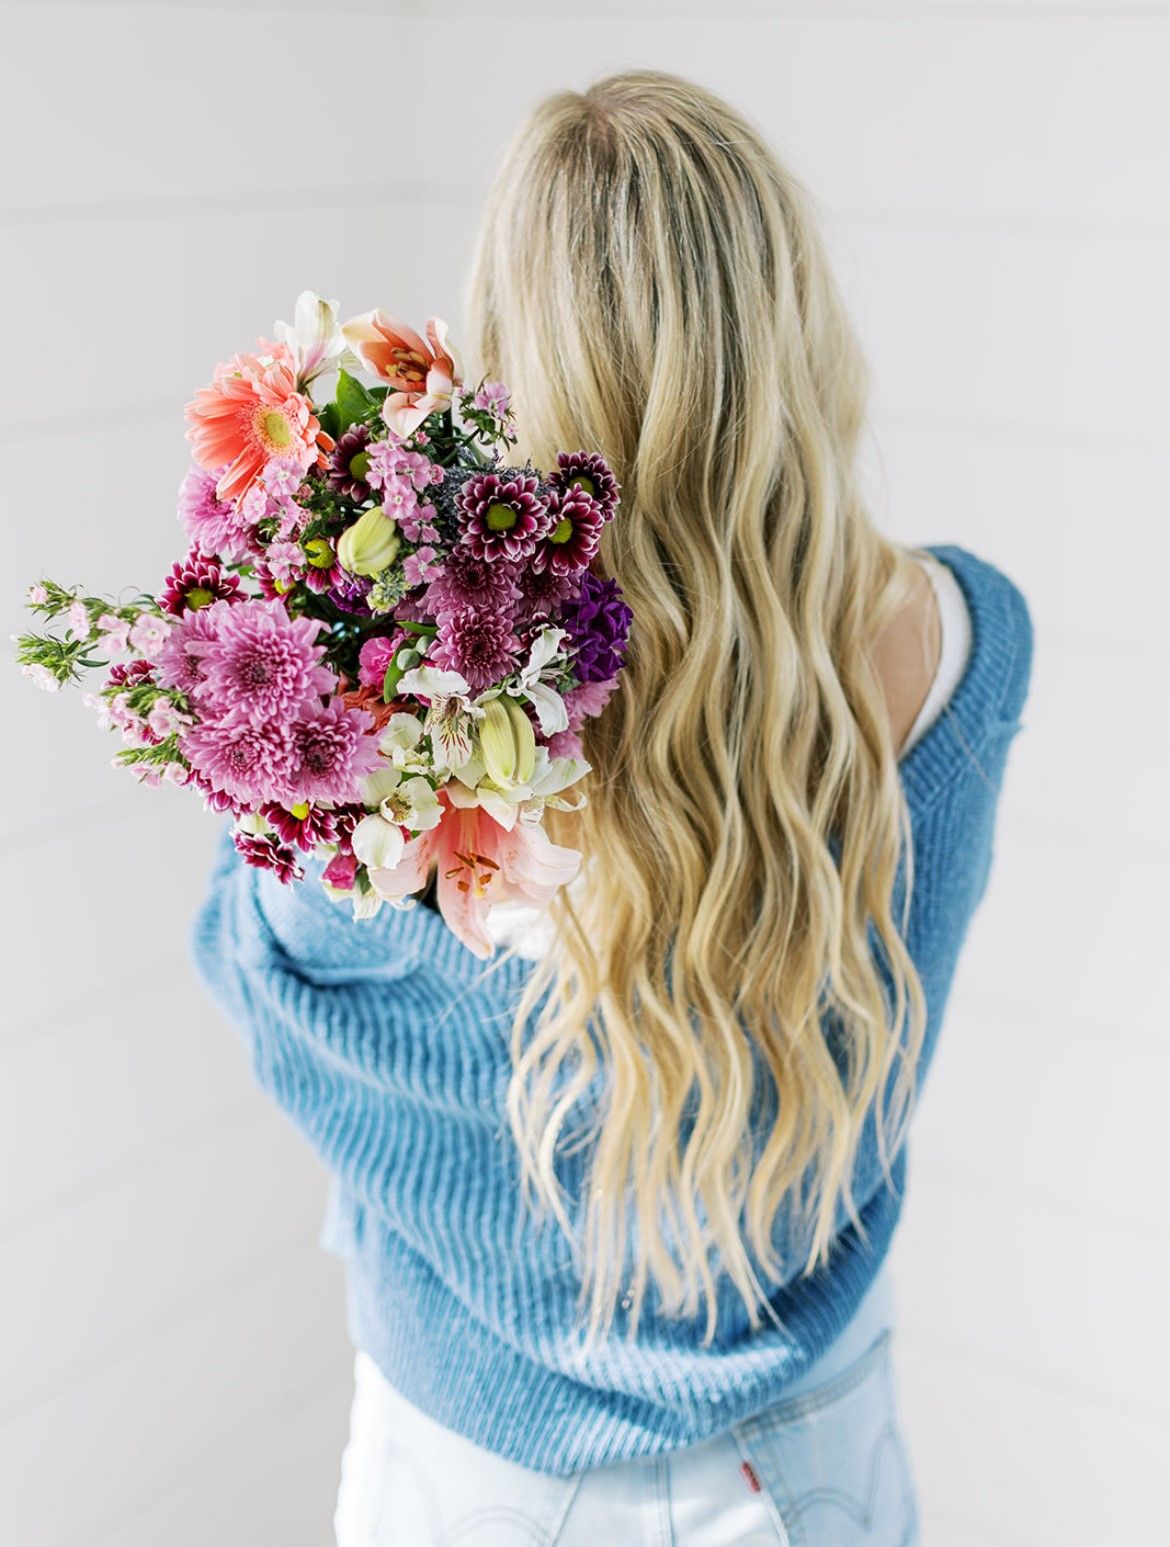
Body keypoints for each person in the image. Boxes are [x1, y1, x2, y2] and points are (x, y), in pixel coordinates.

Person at [192, 69, 1033, 1547]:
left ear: (506, 342)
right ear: (786, 318)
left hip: (480, 1478)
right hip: (810, 1461)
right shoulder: (965, 641)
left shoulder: (401, 732)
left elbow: (272, 987)